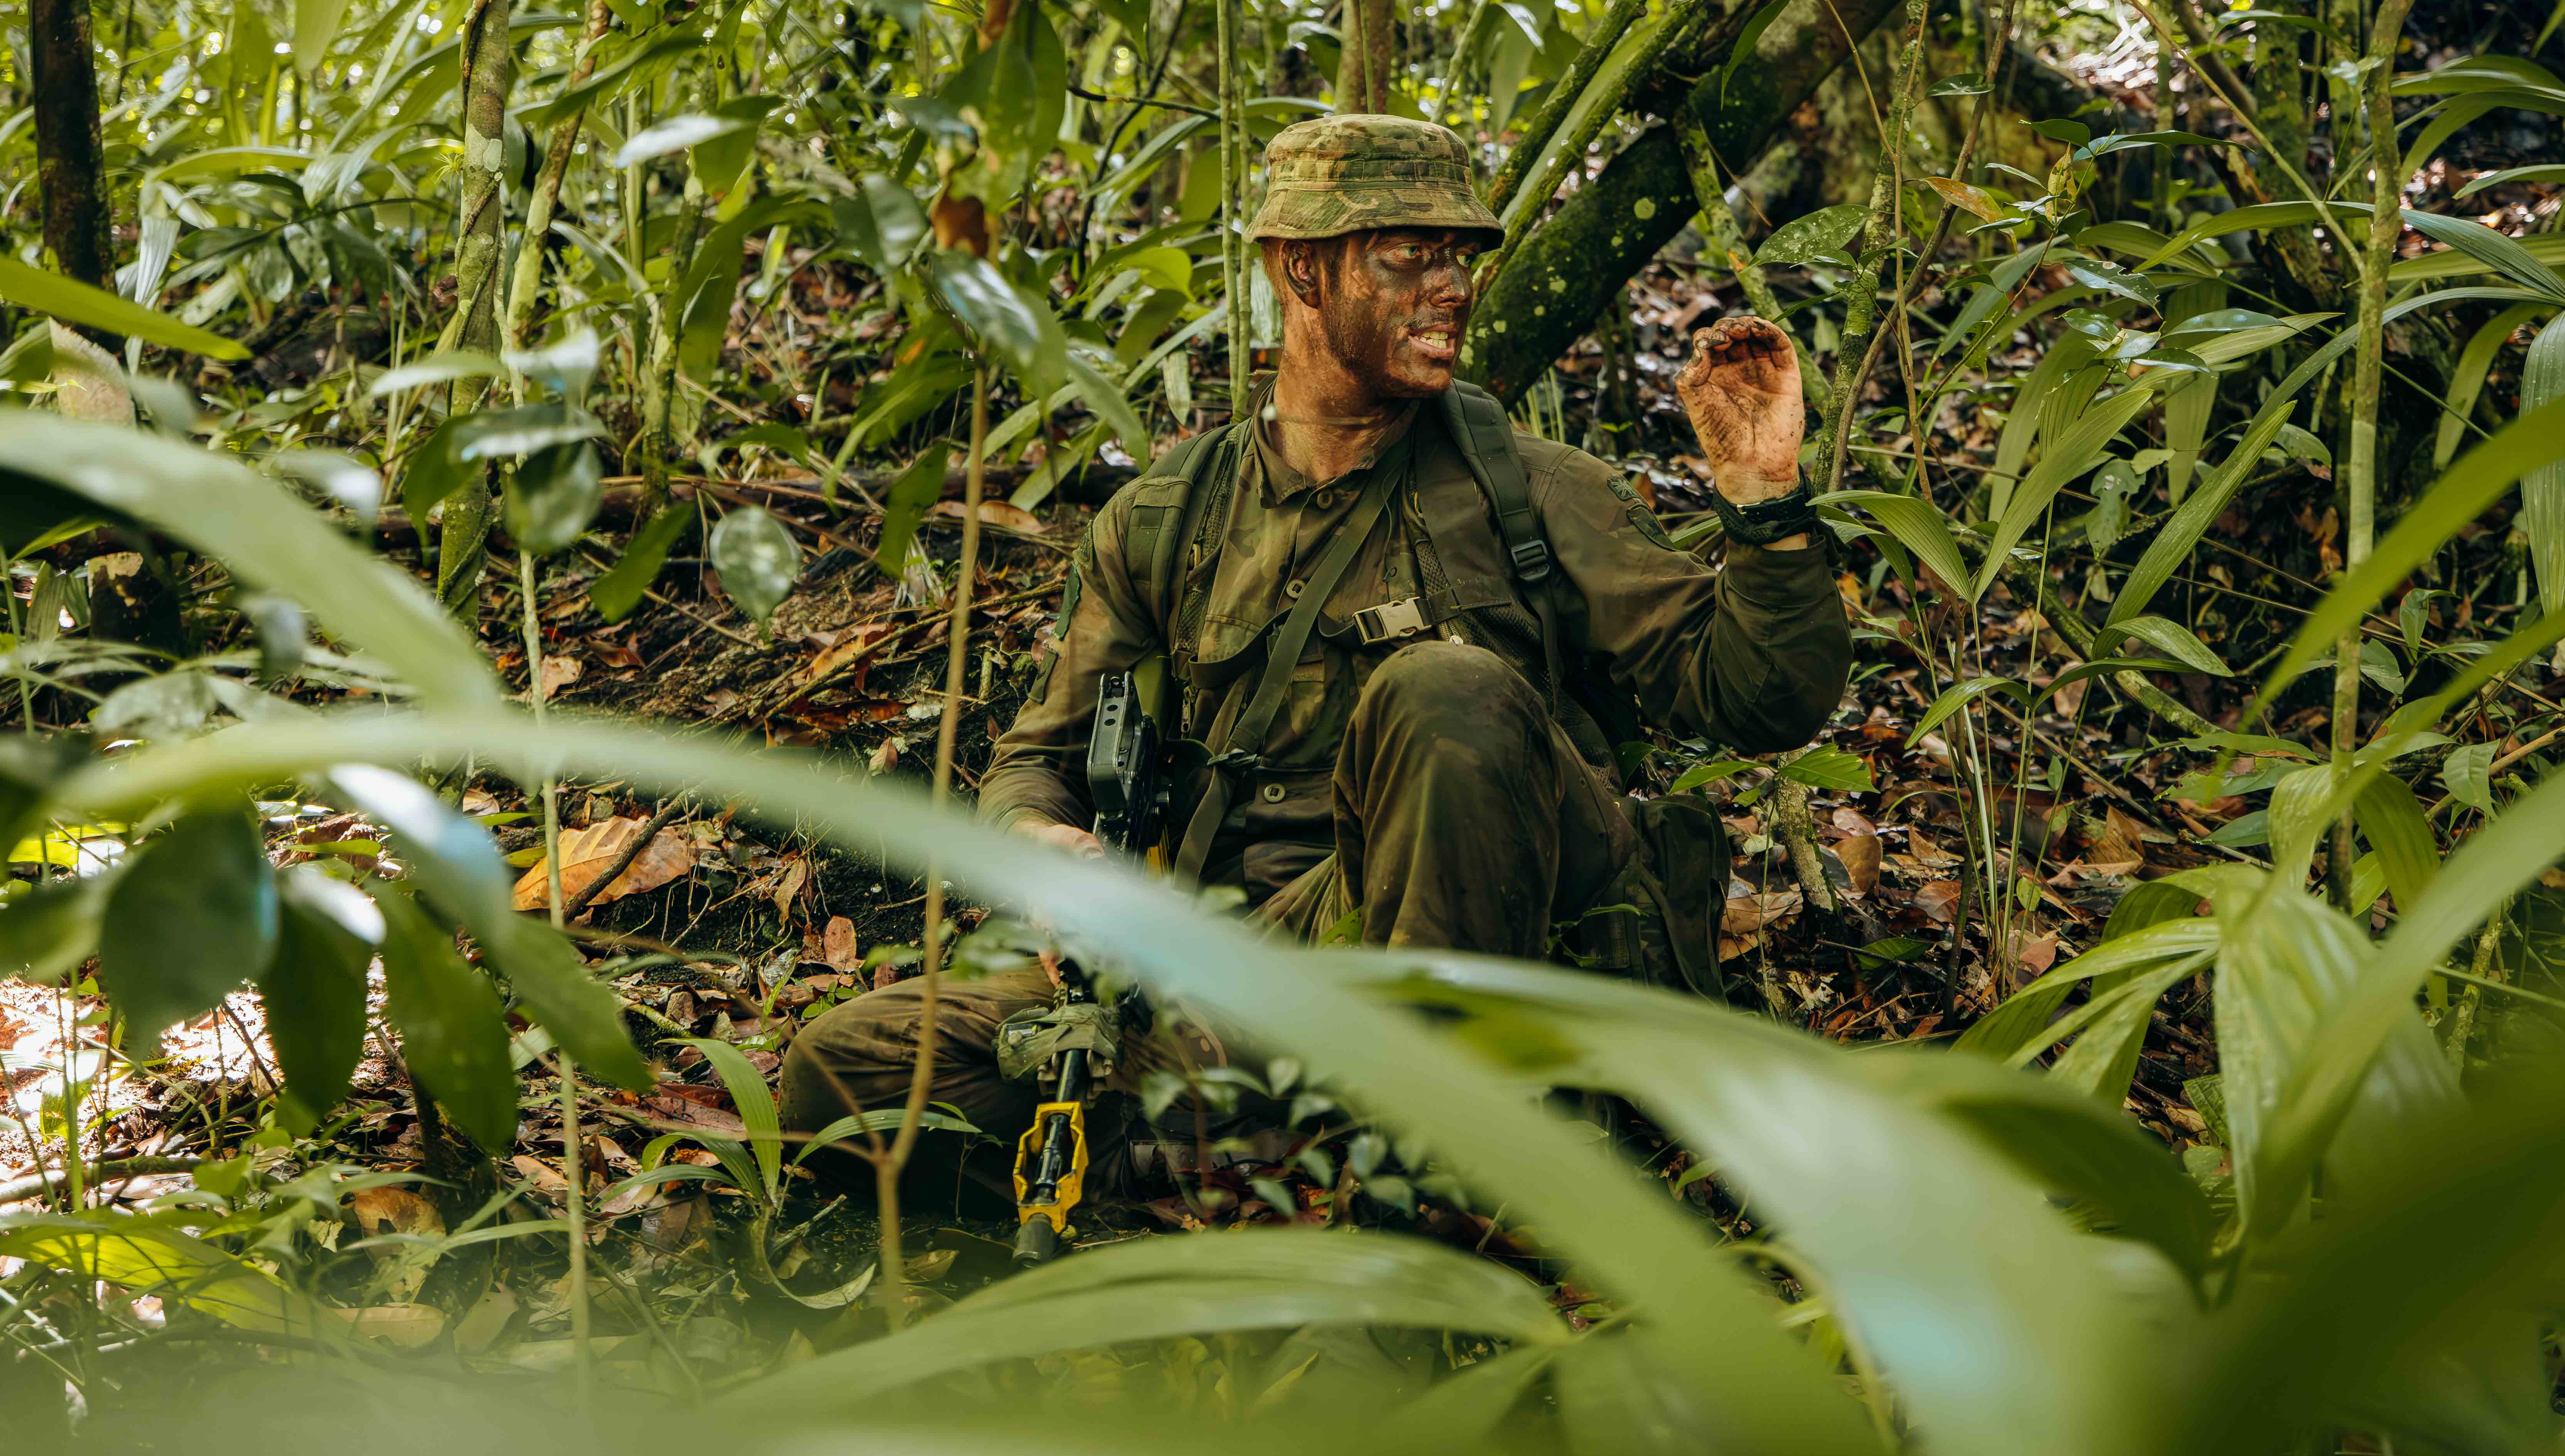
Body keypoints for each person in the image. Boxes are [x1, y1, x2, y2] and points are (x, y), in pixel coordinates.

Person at [780, 114, 1850, 1207]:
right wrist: (1050, 852)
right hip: (1249, 967)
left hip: (1505, 946)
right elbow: (1035, 759)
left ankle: (1427, 1192)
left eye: (1461, 257)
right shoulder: (1167, 517)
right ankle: (1246, 1149)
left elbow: (1760, 699)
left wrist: (1763, 499)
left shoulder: (1531, 489)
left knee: (1446, 690)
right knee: (842, 1075)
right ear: (1303, 269)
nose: (1452, 288)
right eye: (1409, 256)